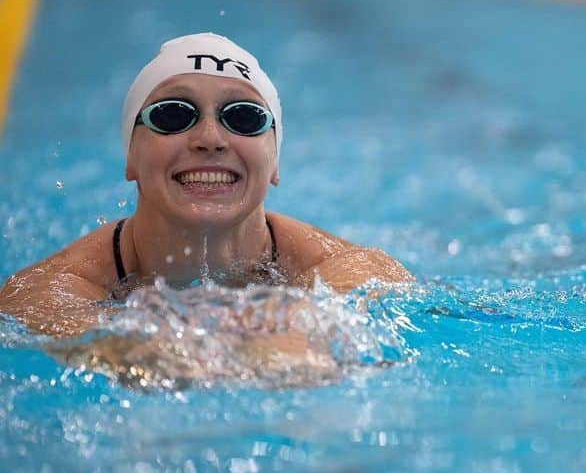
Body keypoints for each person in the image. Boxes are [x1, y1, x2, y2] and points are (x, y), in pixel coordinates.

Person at [0, 32, 411, 341]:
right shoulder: (45, 293)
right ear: (130, 156)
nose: (210, 137)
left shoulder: (356, 275)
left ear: (274, 161)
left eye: (244, 117)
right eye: (174, 115)